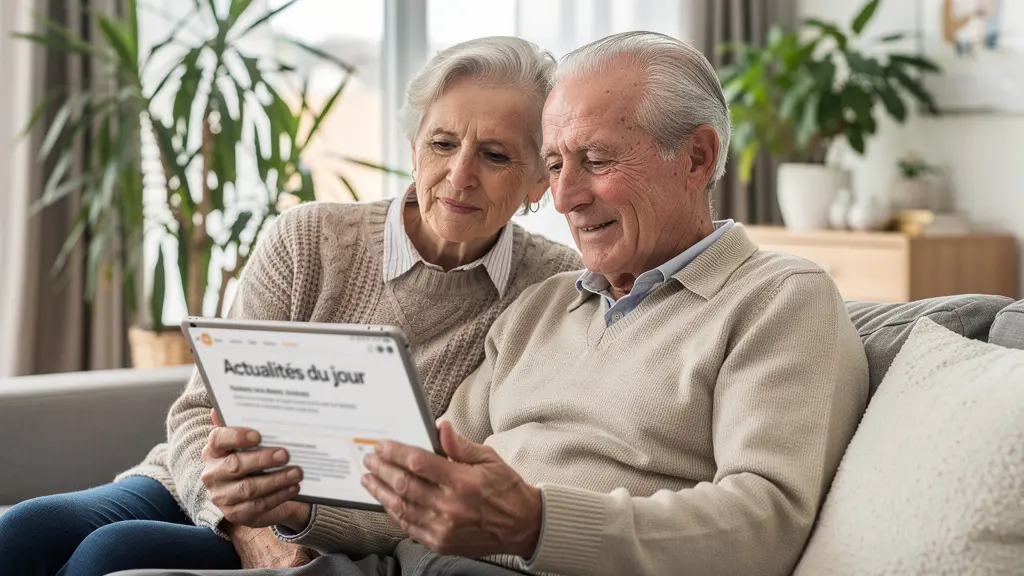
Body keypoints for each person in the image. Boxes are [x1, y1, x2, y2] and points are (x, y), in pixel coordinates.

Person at [112, 31, 870, 576]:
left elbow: (766, 521)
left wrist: (538, 522)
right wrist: (296, 508)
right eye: (557, 163)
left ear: (697, 157)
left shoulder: (777, 299)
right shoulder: (543, 309)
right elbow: (410, 483)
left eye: (597, 163)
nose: (568, 197)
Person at [0, 36, 583, 576]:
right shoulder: (309, 239)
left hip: (331, 528)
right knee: (21, 531)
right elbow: (199, 410)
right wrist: (241, 522)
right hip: (205, 486)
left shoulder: (551, 289)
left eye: (496, 156)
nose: (460, 175)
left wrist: (285, 530)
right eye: (443, 144)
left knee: (112, 553)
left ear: (539, 181)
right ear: (413, 149)